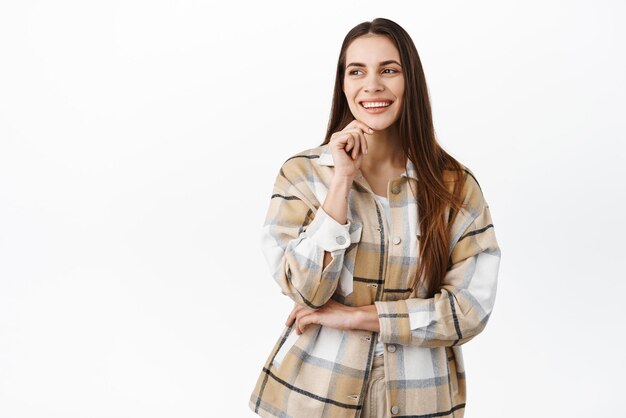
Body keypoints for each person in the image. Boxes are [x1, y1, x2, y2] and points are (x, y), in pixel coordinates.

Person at [248, 17, 501, 418]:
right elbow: (305, 290)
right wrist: (341, 182)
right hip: (315, 395)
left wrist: (355, 317)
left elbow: (469, 311)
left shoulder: (454, 185)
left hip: (422, 397)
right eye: (357, 71)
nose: (373, 85)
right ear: (343, 84)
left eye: (389, 70)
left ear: (410, 81)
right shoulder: (302, 175)